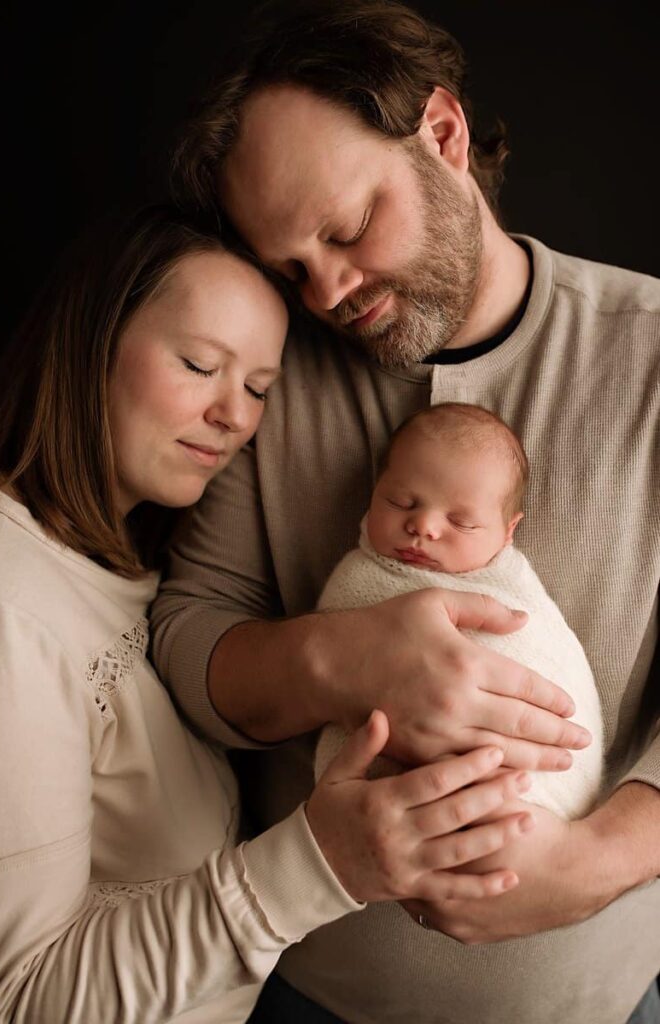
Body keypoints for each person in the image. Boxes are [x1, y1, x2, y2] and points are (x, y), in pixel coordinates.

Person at [152, 1, 660, 1021]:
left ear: (444, 133)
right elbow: (185, 635)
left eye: (345, 228)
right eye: (293, 266)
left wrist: (606, 855)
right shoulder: (274, 373)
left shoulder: (649, 354)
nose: (329, 288)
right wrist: (344, 660)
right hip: (304, 993)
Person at [0, 204, 539, 1024]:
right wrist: (318, 865)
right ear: (91, 341)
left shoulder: (122, 562)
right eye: (201, 365)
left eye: (258, 389)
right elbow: (18, 1003)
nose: (235, 417)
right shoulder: (3, 607)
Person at [314, 402, 604, 824]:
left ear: (508, 532)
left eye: (462, 522)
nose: (424, 526)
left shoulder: (514, 589)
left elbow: (549, 656)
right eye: (401, 501)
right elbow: (337, 644)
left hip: (530, 799)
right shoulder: (361, 576)